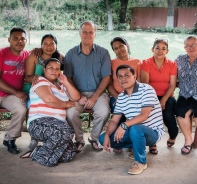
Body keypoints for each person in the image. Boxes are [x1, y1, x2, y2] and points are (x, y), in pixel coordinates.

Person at [99, 65, 165, 175]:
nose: (123, 79)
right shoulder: (121, 97)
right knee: (102, 138)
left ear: (134, 76)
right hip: (135, 131)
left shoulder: (146, 89)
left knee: (135, 128)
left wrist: (124, 125)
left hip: (153, 132)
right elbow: (115, 120)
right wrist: (107, 135)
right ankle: (136, 145)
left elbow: (144, 115)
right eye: (120, 76)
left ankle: (140, 162)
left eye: (127, 75)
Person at [20, 58, 80, 167]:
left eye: (57, 69)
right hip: (38, 123)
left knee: (70, 153)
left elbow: (76, 97)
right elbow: (49, 100)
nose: (54, 71)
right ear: (44, 69)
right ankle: (42, 157)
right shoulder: (41, 81)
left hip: (57, 125)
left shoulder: (61, 86)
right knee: (66, 131)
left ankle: (36, 151)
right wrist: (66, 104)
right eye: (51, 68)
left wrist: (66, 82)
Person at [64, 20, 111, 152]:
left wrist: (94, 97)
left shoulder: (103, 53)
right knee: (70, 112)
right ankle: (79, 139)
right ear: (80, 33)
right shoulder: (71, 54)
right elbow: (68, 78)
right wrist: (78, 96)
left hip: (98, 93)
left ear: (95, 34)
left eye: (91, 32)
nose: (87, 35)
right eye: (84, 32)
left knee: (103, 111)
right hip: (77, 93)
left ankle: (94, 138)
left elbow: (106, 77)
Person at [23, 33, 64, 150]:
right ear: (41, 45)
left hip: (51, 91)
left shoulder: (60, 57)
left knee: (58, 105)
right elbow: (27, 77)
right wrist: (36, 78)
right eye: (45, 44)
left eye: (52, 43)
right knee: (31, 105)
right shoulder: (34, 56)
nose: (48, 46)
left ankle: (53, 134)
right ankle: (34, 137)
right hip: (34, 89)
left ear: (56, 45)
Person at [140, 38, 178, 154]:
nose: (160, 51)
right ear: (153, 49)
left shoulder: (172, 64)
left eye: (163, 48)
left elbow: (172, 85)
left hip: (167, 96)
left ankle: (173, 135)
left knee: (167, 114)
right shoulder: (146, 63)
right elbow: (145, 85)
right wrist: (155, 102)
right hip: (150, 95)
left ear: (167, 51)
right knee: (150, 115)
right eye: (157, 48)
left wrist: (163, 101)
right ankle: (152, 143)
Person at [107, 37, 141, 153]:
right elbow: (109, 84)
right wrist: (118, 97)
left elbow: (140, 82)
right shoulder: (112, 63)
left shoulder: (137, 62)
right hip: (117, 96)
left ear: (127, 45)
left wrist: (133, 97)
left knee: (134, 111)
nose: (119, 49)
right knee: (118, 110)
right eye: (115, 48)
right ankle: (118, 141)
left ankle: (132, 140)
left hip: (134, 95)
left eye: (121, 45)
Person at [0, 27, 29, 154]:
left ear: (26, 41)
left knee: (21, 109)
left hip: (9, 96)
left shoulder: (28, 55)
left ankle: (10, 139)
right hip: (9, 92)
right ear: (9, 40)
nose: (19, 41)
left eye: (22, 39)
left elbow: (49, 54)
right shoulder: (2, 54)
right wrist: (16, 92)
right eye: (15, 38)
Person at [175, 35, 197, 155]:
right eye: (187, 46)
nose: (190, 48)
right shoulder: (180, 59)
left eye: (193, 44)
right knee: (180, 113)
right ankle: (188, 141)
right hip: (185, 94)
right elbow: (171, 74)